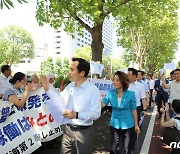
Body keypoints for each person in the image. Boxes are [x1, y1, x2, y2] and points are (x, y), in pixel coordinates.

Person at [40, 57, 101, 154]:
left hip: (83, 132)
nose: (69, 72)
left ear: (82, 73)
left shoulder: (93, 90)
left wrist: (76, 115)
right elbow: (59, 98)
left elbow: (96, 113)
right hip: (67, 130)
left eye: (72, 70)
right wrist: (47, 88)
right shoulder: (70, 86)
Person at [102, 71, 140, 154]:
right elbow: (103, 103)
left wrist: (136, 125)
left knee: (127, 149)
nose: (114, 82)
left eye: (117, 80)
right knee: (113, 149)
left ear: (123, 82)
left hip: (128, 124)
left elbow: (134, 110)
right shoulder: (110, 93)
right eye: (114, 80)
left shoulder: (131, 94)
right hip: (114, 124)